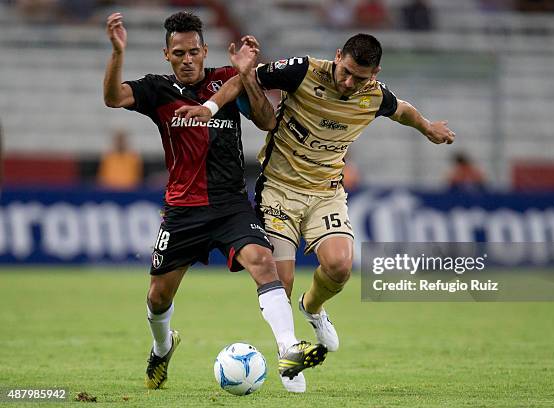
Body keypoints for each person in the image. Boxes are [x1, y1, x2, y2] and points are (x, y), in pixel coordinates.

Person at [178, 33, 455, 391]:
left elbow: (402, 110)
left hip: (326, 193)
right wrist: (210, 108)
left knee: (340, 266)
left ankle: (312, 308)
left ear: (376, 73)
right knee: (282, 280)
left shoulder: (374, 96)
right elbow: (240, 80)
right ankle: (290, 357)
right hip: (278, 189)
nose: (349, 82)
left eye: (360, 77)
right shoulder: (302, 70)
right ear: (337, 56)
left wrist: (428, 127)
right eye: (346, 72)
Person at [103, 11, 326, 393]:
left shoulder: (227, 79)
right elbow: (112, 98)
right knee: (158, 297)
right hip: (182, 211)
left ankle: (289, 349)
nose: (187, 59)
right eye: (178, 53)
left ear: (205, 51)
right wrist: (117, 52)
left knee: (263, 261)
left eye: (193, 51)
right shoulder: (157, 90)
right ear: (166, 55)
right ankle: (162, 346)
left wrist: (247, 75)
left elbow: (267, 120)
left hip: (230, 204)